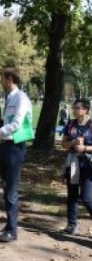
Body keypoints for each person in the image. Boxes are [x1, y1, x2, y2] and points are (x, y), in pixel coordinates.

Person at [0, 67, 32, 243]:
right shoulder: (9, 97)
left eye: (2, 78)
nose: (0, 81)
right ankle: (9, 225)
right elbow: (7, 123)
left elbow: (17, 124)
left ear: (9, 79)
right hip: (5, 146)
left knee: (11, 189)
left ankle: (12, 230)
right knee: (6, 187)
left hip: (15, 147)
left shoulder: (21, 98)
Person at [61, 98, 92, 235]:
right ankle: (72, 225)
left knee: (86, 197)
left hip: (88, 165)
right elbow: (63, 144)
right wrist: (73, 142)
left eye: (77, 108)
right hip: (73, 164)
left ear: (85, 109)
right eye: (73, 108)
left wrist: (85, 148)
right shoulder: (70, 124)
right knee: (72, 195)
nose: (74, 110)